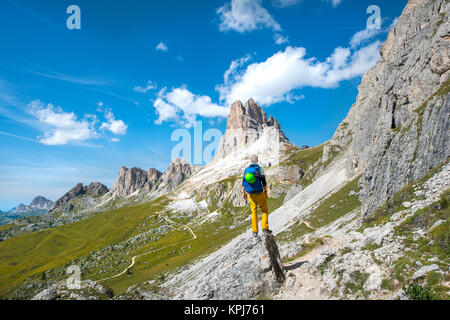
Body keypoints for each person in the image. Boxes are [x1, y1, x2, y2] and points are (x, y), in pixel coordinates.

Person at [242, 154, 272, 237]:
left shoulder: (246, 170)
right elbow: (264, 181)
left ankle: (255, 231)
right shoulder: (259, 169)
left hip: (250, 194)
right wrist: (265, 191)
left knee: (254, 212)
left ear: (250, 161)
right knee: (264, 210)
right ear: (257, 161)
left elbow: (243, 183)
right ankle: (265, 228)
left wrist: (244, 193)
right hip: (259, 193)